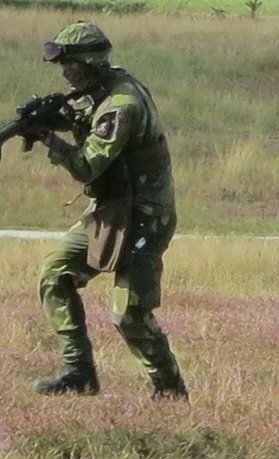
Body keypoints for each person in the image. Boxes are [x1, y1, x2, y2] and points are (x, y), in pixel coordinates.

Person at [30, 21, 187, 399]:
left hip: (146, 218)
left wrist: (50, 141)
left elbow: (87, 166)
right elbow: (80, 114)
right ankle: (78, 372)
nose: (67, 73)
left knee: (128, 314)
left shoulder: (123, 104)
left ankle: (170, 392)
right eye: (63, 66)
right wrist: (46, 118)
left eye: (73, 66)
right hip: (111, 210)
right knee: (55, 272)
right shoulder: (98, 91)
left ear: (92, 63)